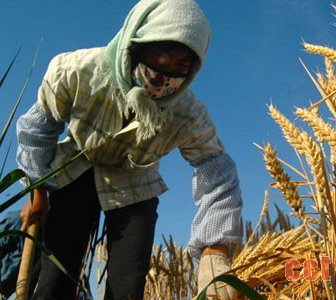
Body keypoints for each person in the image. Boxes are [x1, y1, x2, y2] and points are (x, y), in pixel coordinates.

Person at [16, 0, 243, 299]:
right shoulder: (79, 71)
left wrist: (214, 250)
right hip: (77, 169)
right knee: (57, 273)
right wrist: (38, 192)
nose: (164, 75)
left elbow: (217, 168)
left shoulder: (185, 112)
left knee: (128, 285)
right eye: (159, 55)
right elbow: (38, 127)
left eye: (181, 66)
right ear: (135, 43)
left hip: (136, 186)